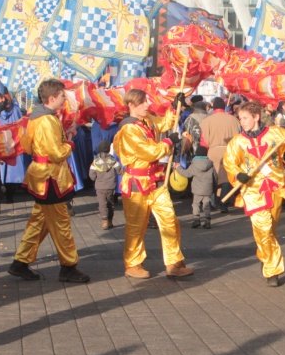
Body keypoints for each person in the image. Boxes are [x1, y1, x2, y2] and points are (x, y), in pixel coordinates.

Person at [8, 80, 90, 283]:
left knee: (39, 221)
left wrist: (64, 137)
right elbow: (56, 153)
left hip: (41, 175)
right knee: (61, 224)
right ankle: (68, 266)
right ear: (52, 98)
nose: (64, 100)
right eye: (62, 96)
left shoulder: (35, 117)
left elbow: (29, 146)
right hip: (50, 178)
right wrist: (69, 143)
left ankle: (20, 262)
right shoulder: (47, 120)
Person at [114, 89, 193, 279]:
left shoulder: (147, 120)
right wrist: (168, 142)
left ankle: (173, 262)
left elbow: (164, 123)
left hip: (156, 182)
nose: (147, 105)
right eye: (143, 102)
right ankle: (133, 263)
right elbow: (149, 152)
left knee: (170, 220)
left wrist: (174, 107)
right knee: (136, 227)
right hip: (137, 184)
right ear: (132, 105)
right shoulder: (129, 129)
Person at [223, 101, 285, 287]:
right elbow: (229, 163)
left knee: (271, 230)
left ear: (256, 117)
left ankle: (264, 254)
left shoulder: (275, 133)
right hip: (252, 191)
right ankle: (272, 270)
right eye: (240, 118)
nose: (242, 122)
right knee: (263, 228)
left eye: (245, 118)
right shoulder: (238, 142)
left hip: (274, 187)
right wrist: (238, 174)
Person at [200, 96, 240, 214]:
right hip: (229, 151)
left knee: (212, 178)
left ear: (214, 107)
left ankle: (212, 202)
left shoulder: (207, 121)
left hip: (212, 151)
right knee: (226, 178)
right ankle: (223, 202)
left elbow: (203, 142)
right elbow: (239, 137)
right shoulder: (234, 120)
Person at [176, 145, 215, 229]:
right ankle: (207, 221)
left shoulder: (194, 164)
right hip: (208, 188)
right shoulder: (210, 164)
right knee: (206, 204)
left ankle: (196, 220)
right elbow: (215, 176)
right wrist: (214, 187)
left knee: (196, 204)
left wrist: (178, 168)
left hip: (197, 189)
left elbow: (187, 174)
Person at [89, 140, 120, 230]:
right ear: (109, 150)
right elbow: (119, 171)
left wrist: (95, 178)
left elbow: (91, 175)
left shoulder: (95, 162)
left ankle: (104, 221)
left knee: (102, 204)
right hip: (110, 186)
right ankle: (110, 221)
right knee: (110, 204)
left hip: (100, 187)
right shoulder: (113, 161)